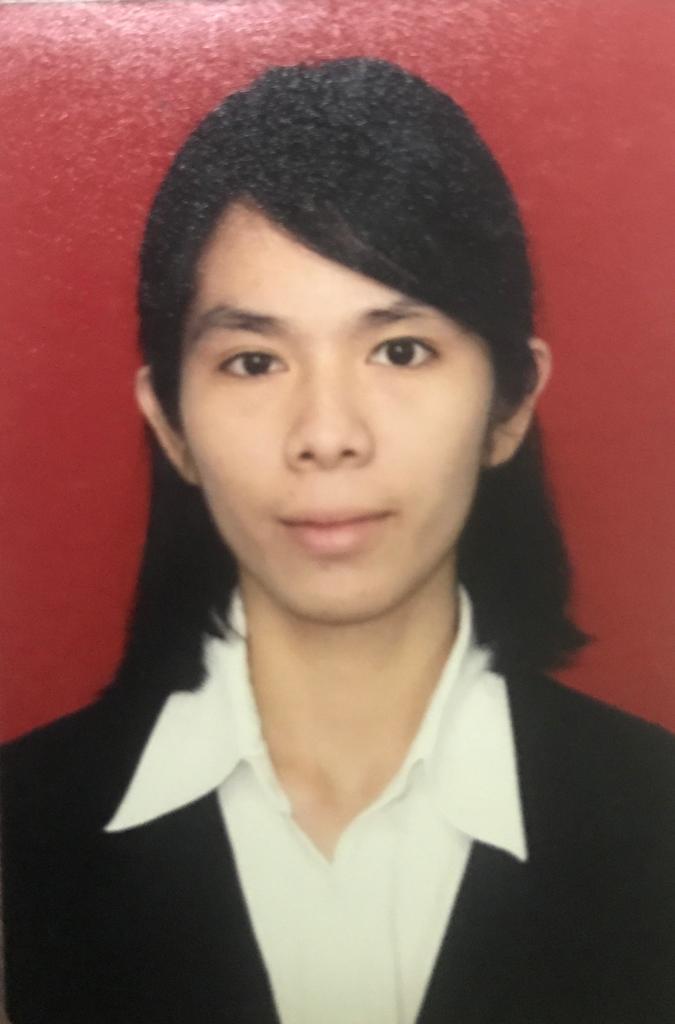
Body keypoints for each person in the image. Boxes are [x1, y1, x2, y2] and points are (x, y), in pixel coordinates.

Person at [1, 57, 673, 1024]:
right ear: (170, 423)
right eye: (253, 361)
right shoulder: (19, 827)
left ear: (510, 403)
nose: (326, 434)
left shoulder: (657, 813)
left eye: (399, 350)